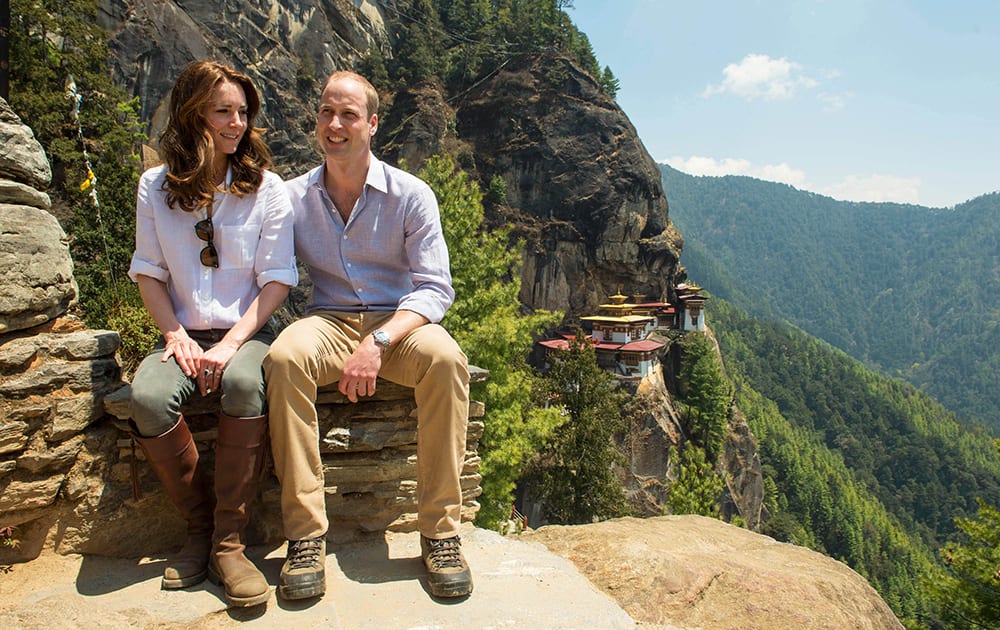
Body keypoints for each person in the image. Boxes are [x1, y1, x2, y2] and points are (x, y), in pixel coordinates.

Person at [264, 71, 472, 601]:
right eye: (326, 113)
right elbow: (262, 268)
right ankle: (306, 536)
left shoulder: (410, 195)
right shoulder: (291, 199)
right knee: (285, 357)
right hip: (328, 321)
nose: (336, 125)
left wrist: (377, 343)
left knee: (447, 360)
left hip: (399, 325)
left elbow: (433, 289)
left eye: (349, 114)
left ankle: (440, 534)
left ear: (372, 124)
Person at [127, 60, 297, 608]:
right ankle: (199, 530)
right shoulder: (154, 186)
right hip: (181, 332)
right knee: (148, 397)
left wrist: (229, 345)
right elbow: (148, 271)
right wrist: (174, 334)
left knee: (247, 385)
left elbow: (275, 282)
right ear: (191, 112)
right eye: (222, 110)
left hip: (247, 332)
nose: (236, 123)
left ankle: (229, 543)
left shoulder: (266, 189)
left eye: (243, 113)